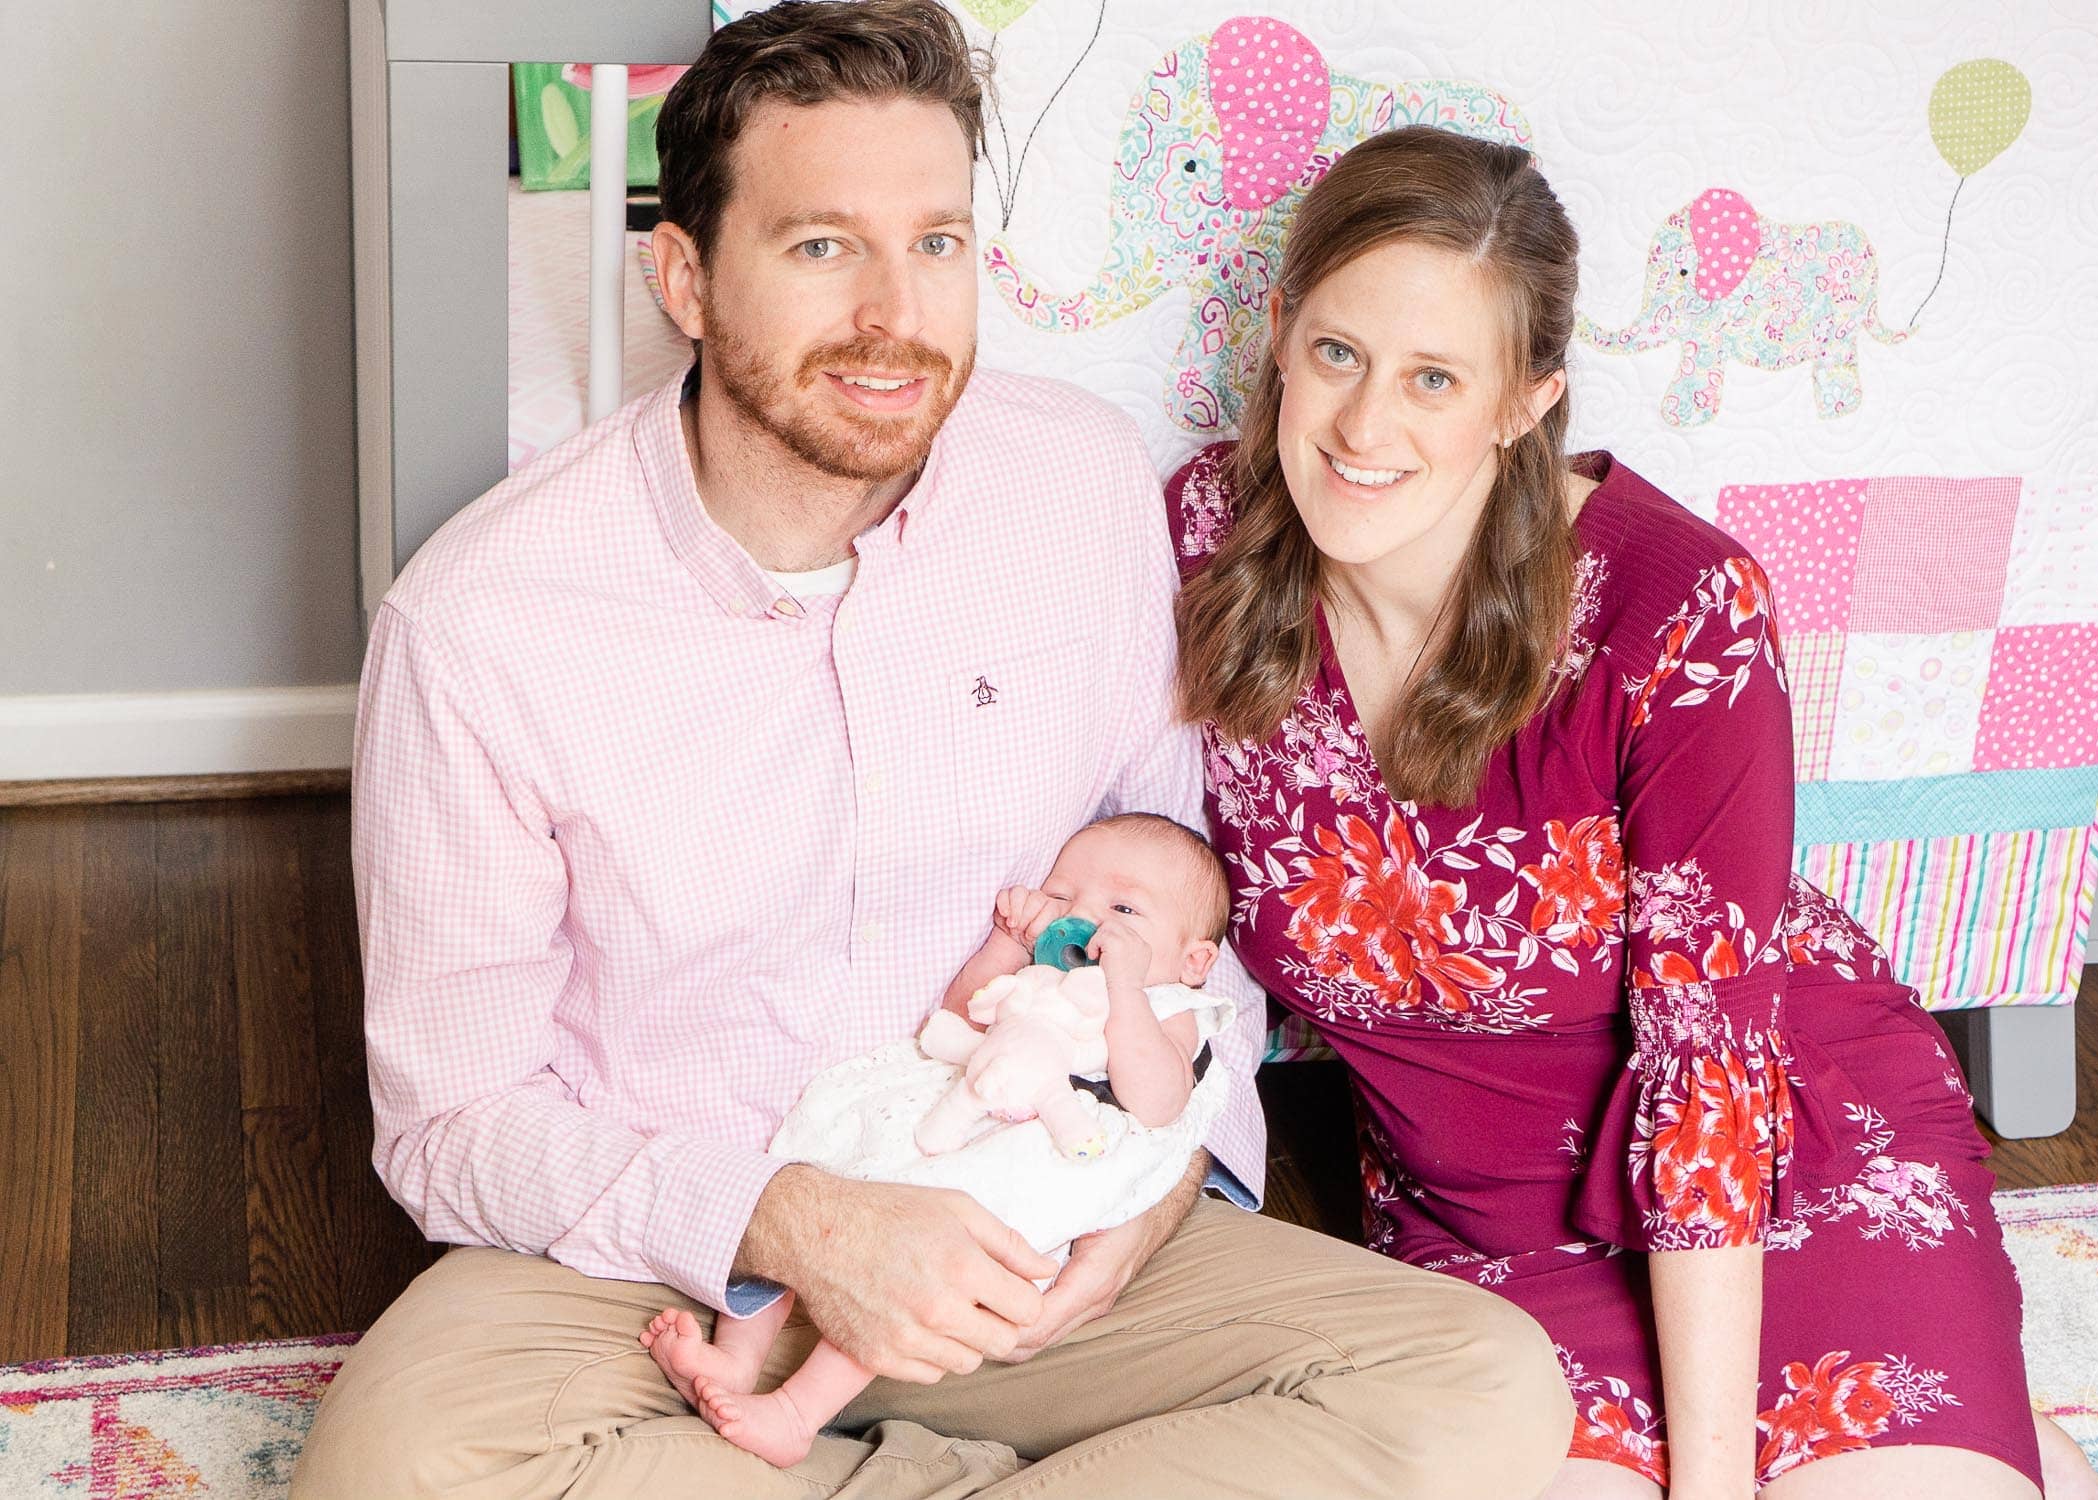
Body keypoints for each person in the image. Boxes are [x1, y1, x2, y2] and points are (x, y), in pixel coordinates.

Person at [290, 6, 1573, 1497]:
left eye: (939, 244)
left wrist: (1143, 1207)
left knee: (1475, 1388)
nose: (896, 314)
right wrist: (792, 1219)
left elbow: (1179, 923)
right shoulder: (480, 625)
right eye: (823, 246)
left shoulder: (1078, 487)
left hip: (1019, 1226)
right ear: (685, 278)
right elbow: (453, 1122)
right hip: (667, 1263)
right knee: (397, 1467)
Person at [1168, 125, 2098, 1500]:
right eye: (1337, 354)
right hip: (1484, 1218)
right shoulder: (1198, 543)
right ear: (1278, 330)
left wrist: (1715, 1483)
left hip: (1777, 1152)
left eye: (1432, 378)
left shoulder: (1678, 610)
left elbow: (1706, 1078)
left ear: (1521, 402)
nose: (1363, 428)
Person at [640, 813, 1239, 1467]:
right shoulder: (1042, 979)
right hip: (942, 1116)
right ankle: (733, 1360)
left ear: (1194, 959)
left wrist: (1124, 985)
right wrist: (1006, 946)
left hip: (1016, 1172)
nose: (1087, 917)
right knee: (815, 1189)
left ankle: (795, 1413)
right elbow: (957, 1018)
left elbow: (1157, 1102)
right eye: (1063, 896)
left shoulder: (1171, 1007)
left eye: (1124, 907)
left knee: (908, 1274)